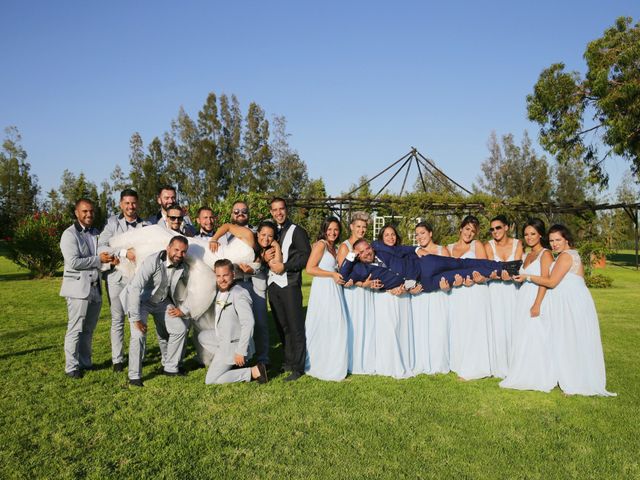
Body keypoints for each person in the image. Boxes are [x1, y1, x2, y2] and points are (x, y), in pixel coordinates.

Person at [514, 224, 616, 396]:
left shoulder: (566, 256)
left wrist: (527, 277)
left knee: (571, 340)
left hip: (571, 304)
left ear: (566, 239)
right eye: (552, 240)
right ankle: (572, 378)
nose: (554, 244)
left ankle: (575, 382)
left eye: (558, 240)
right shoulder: (566, 255)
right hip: (571, 302)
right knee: (572, 340)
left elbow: (552, 282)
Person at [123, 236, 191, 387]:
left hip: (161, 302)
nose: (179, 254)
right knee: (138, 334)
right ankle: (134, 376)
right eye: (176, 250)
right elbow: (135, 288)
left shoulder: (183, 266)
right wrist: (135, 318)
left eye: (183, 251)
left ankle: (170, 367)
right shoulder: (152, 261)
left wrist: (183, 309)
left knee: (180, 328)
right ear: (168, 248)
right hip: (141, 302)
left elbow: (189, 289)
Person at [60, 198, 116, 378]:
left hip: (95, 288)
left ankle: (85, 362)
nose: (89, 214)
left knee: (89, 329)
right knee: (75, 328)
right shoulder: (69, 234)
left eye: (91, 211)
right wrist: (100, 260)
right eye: (84, 211)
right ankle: (71, 367)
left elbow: (100, 258)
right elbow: (74, 262)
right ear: (77, 213)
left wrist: (109, 262)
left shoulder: (95, 233)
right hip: (78, 289)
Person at [500, 218, 555, 392]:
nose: (529, 237)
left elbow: (546, 280)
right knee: (523, 335)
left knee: (536, 335)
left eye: (533, 234)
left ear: (540, 234)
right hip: (523, 296)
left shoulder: (545, 254)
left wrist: (537, 304)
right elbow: (522, 277)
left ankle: (537, 375)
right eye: (526, 234)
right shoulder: (526, 255)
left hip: (536, 297)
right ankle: (521, 370)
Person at [97, 188, 147, 372]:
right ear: (120, 204)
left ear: (138, 204)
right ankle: (117, 360)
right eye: (126, 203)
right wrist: (123, 252)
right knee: (117, 319)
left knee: (138, 318)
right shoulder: (111, 224)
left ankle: (139, 356)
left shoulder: (145, 225)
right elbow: (101, 246)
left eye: (133, 203)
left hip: (137, 280)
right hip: (116, 278)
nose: (130, 206)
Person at [217, 201, 270, 366]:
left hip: (255, 282)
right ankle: (239, 358)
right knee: (236, 323)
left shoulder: (255, 233)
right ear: (231, 214)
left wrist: (253, 268)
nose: (240, 214)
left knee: (260, 321)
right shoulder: (223, 237)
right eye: (236, 211)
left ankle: (263, 358)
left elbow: (264, 256)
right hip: (236, 285)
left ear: (249, 214)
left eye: (244, 211)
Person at [198, 259, 268, 385]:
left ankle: (254, 371)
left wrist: (241, 351)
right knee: (202, 336)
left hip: (234, 345)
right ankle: (231, 362)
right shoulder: (221, 292)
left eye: (225, 275)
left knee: (211, 380)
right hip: (224, 338)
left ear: (233, 275)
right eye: (218, 276)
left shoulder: (240, 293)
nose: (222, 279)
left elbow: (248, 323)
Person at [265, 197, 311, 382]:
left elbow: (305, 258)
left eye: (281, 209)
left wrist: (286, 266)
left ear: (286, 210)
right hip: (273, 285)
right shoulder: (270, 230)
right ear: (271, 212)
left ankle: (298, 368)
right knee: (282, 325)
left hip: (290, 284)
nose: (278, 213)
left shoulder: (297, 231)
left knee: (295, 327)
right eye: (275, 210)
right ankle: (289, 361)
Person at [447, 215, 493, 380]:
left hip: (475, 291)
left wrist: (475, 279)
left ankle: (474, 368)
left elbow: (486, 269)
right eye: (467, 229)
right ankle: (459, 363)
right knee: (460, 326)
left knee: (474, 326)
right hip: (457, 292)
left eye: (473, 231)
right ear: (460, 228)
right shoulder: (450, 248)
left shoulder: (477, 245)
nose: (469, 233)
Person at [304, 217, 349, 381]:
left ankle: (334, 363)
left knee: (336, 325)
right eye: (329, 229)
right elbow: (309, 268)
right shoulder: (321, 245)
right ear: (324, 230)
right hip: (323, 289)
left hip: (335, 288)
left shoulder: (334, 247)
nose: (333, 232)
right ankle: (320, 365)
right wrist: (331, 274)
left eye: (335, 229)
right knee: (324, 324)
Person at [370, 224, 415, 378]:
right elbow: (374, 275)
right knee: (387, 329)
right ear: (381, 238)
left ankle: (404, 362)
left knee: (401, 328)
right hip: (385, 296)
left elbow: (415, 274)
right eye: (387, 235)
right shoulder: (376, 253)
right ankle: (387, 364)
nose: (390, 237)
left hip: (402, 296)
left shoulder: (405, 254)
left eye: (393, 234)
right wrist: (388, 288)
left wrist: (404, 287)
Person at [337, 211, 377, 375]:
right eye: (358, 226)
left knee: (367, 324)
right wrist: (362, 284)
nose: (361, 230)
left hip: (367, 292)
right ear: (352, 226)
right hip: (353, 292)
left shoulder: (367, 246)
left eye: (364, 227)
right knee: (354, 324)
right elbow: (343, 276)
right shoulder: (345, 246)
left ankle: (366, 360)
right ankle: (352, 361)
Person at [484, 215, 523, 378]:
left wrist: (508, 273)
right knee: (497, 326)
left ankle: (516, 364)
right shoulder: (488, 246)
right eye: (492, 229)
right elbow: (487, 270)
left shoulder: (518, 243)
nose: (495, 231)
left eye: (498, 228)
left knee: (515, 324)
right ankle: (498, 365)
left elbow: (519, 266)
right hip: (495, 291)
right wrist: (499, 275)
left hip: (513, 290)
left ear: (507, 227)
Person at [410, 221, 450, 375]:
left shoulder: (442, 250)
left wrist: (447, 286)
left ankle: (439, 362)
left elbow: (449, 272)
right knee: (420, 329)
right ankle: (421, 361)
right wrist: (411, 288)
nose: (420, 237)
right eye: (417, 235)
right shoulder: (415, 253)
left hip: (438, 295)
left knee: (438, 328)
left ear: (430, 233)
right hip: (420, 296)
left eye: (423, 233)